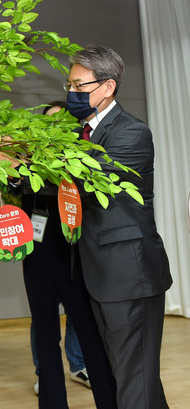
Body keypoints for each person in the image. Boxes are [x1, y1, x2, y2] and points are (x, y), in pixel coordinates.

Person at [65, 45, 172, 408]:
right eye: (70, 85)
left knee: (133, 381)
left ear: (107, 87)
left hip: (129, 275)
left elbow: (90, 184)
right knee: (133, 376)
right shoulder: (81, 133)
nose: (72, 93)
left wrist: (24, 165)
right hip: (101, 273)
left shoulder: (131, 132)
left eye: (79, 86)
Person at [22, 102, 116, 409]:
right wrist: (12, 171)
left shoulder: (81, 160)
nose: (54, 127)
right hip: (37, 258)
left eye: (61, 122)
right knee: (45, 337)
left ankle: (109, 401)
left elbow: (72, 193)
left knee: (90, 334)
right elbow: (19, 193)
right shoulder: (30, 159)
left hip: (75, 259)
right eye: (48, 122)